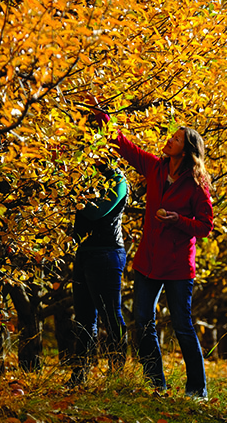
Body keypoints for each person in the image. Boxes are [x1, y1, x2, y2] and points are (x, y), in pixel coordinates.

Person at [87, 96, 214, 398]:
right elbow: (124, 146)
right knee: (142, 321)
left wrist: (177, 220)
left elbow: (205, 226)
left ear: (187, 149)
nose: (169, 141)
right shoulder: (155, 168)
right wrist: (102, 116)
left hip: (178, 266)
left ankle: (197, 389)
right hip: (148, 262)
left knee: (183, 327)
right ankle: (156, 383)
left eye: (176, 139)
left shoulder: (197, 183)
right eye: (171, 137)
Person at [68, 158, 128, 388]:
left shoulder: (117, 179)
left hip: (106, 253)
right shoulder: (82, 176)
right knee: (83, 318)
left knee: (110, 315)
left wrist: (75, 194)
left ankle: (117, 374)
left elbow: (97, 213)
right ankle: (79, 375)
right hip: (84, 253)